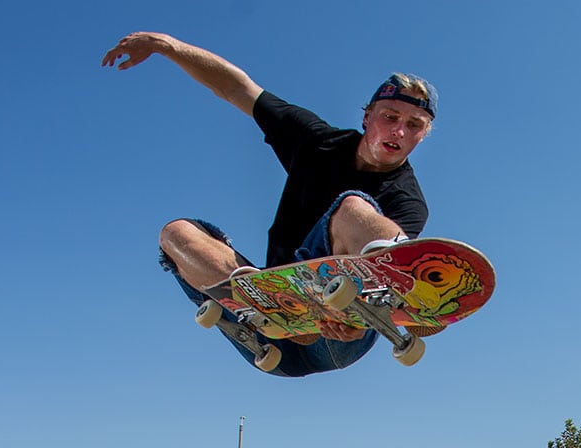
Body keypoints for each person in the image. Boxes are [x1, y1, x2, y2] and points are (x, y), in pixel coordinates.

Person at [103, 31, 437, 377]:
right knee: (176, 235)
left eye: (413, 125)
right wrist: (167, 47)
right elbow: (237, 88)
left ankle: (391, 290)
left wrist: (363, 319)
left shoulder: (408, 200)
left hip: (337, 335)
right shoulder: (315, 141)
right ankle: (267, 306)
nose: (398, 131)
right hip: (269, 338)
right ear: (367, 116)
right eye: (390, 116)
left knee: (352, 208)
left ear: (423, 135)